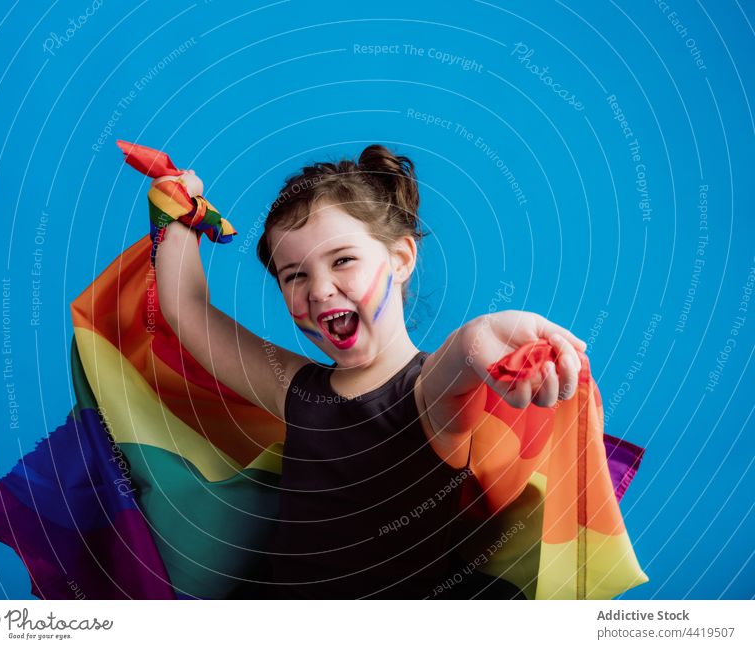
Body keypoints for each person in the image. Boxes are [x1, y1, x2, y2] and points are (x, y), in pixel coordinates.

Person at [152, 144, 587, 599]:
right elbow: (186, 308)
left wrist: (480, 334)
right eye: (294, 275)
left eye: (342, 260)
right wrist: (179, 204)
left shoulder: (427, 397)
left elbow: (458, 359)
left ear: (401, 258)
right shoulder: (295, 390)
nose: (319, 290)